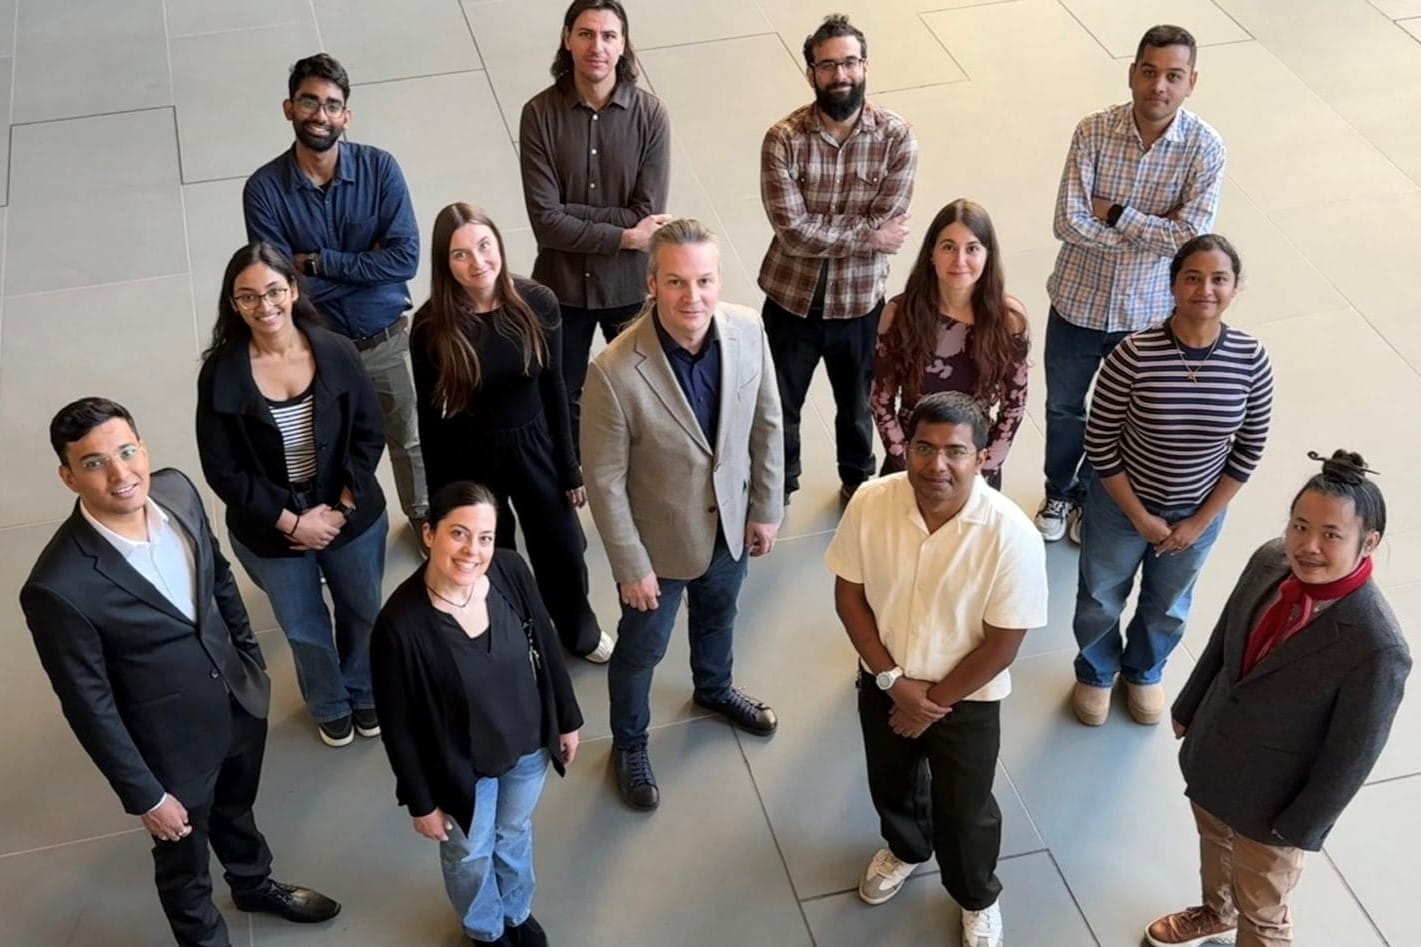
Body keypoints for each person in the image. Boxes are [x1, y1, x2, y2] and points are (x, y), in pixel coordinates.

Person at [21, 397, 341, 947]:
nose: (121, 474)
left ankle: (252, 883)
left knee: (237, 810)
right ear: (68, 476)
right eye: (95, 462)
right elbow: (88, 704)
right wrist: (147, 795)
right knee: (183, 863)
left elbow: (218, 580)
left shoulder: (178, 492)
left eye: (126, 451)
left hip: (239, 700)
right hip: (169, 751)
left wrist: (251, 661)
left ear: (143, 448)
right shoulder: (59, 586)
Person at [1145, 451, 1410, 947]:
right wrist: (1190, 704)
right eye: (1299, 526)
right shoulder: (1271, 559)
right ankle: (1216, 911)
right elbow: (1227, 634)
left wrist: (1300, 826)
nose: (1307, 546)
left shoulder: (1376, 646)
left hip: (1276, 805)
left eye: (1331, 535)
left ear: (1368, 542)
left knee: (1264, 910)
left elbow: (1352, 755)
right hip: (1215, 755)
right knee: (1214, 845)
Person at [826, 391, 1047, 947]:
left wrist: (927, 705)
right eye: (924, 447)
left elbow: (1002, 644)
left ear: (982, 457)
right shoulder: (872, 502)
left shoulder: (1011, 535)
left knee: (966, 807)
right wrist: (892, 683)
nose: (936, 465)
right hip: (884, 680)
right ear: (906, 446)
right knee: (891, 781)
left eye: (955, 451)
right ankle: (905, 848)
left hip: (967, 698)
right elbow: (849, 596)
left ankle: (976, 896)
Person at [581, 219, 784, 810]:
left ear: (718, 280)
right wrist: (630, 565)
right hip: (658, 551)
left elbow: (768, 424)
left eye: (704, 281)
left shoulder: (748, 330)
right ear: (652, 283)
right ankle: (630, 743)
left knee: (720, 617)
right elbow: (605, 481)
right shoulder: (614, 372)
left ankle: (714, 689)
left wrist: (765, 507)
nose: (691, 297)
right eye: (676, 282)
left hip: (731, 527)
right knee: (641, 651)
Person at [1071, 234, 1273, 728]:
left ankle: (1144, 669)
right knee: (1100, 595)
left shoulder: (1251, 359)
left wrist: (1200, 522)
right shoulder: (1134, 354)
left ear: (1235, 288)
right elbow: (1100, 444)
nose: (1206, 289)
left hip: (1198, 511)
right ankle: (1096, 672)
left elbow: (1248, 449)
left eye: (1219, 279)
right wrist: (1139, 515)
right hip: (1122, 506)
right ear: (1173, 285)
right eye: (1193, 277)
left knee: (1169, 603)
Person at [371, 481, 582, 947]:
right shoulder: (399, 625)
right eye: (459, 534)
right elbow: (398, 726)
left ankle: (517, 911)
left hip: (528, 746)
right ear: (430, 534)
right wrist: (421, 802)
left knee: (514, 832)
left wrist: (567, 718)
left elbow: (545, 645)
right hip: (463, 769)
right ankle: (485, 928)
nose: (473, 551)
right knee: (468, 854)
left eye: (484, 537)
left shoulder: (509, 570)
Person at [1037, 24, 1226, 544]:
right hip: (1077, 302)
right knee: (1064, 408)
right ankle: (1058, 491)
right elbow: (1067, 222)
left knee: (1120, 418)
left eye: (1173, 76)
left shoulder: (1205, 149)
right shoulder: (1093, 131)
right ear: (1132, 74)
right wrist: (1153, 227)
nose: (1158, 86)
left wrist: (1116, 212)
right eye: (1149, 72)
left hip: (1144, 317)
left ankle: (1096, 499)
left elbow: (1192, 238)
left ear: (1192, 82)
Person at [197, 243, 389, 748]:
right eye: (248, 297)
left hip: (348, 512)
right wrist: (291, 522)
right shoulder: (221, 373)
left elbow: (370, 434)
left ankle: (364, 688)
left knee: (364, 608)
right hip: (270, 527)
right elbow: (224, 469)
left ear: (293, 290)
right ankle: (329, 702)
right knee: (303, 626)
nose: (265, 306)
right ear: (233, 304)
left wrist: (342, 507)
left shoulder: (336, 351)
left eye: (274, 291)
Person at [411, 203, 612, 664]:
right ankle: (512, 634)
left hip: (535, 443)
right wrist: (442, 499)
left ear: (499, 244)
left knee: (562, 547)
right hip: (471, 454)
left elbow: (556, 388)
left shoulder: (536, 302)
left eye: (484, 246)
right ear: (445, 265)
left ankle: (578, 630)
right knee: (491, 557)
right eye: (460, 255)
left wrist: (569, 467)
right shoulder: (430, 327)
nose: (478, 262)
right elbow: (430, 416)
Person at [243, 52, 428, 537]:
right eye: (309, 102)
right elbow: (280, 286)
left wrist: (321, 262)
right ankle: (337, 527)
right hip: (315, 348)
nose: (319, 114)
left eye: (331, 105)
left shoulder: (380, 169)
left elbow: (405, 260)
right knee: (325, 444)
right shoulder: (264, 190)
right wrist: (365, 267)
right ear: (289, 108)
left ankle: (423, 516)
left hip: (383, 339)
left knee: (407, 438)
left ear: (346, 115)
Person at [759, 13, 919, 505]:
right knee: (778, 406)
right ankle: (778, 484)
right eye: (827, 66)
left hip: (860, 305)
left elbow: (888, 220)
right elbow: (791, 231)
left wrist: (842, 233)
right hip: (790, 301)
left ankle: (857, 483)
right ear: (811, 72)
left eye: (849, 63)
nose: (840, 75)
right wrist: (867, 235)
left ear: (865, 65)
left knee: (858, 407)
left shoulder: (896, 137)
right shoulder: (782, 138)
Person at [520, 0, 672, 452]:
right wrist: (624, 235)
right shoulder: (539, 114)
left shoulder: (651, 116)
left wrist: (574, 214)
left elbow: (648, 210)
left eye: (609, 36)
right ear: (567, 40)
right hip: (560, 289)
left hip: (628, 288)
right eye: (586, 34)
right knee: (557, 400)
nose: (597, 46)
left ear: (624, 45)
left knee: (644, 397)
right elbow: (546, 223)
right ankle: (570, 484)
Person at [870, 199, 1030, 490]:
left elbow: (1014, 406)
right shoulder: (898, 313)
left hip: (973, 462)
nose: (959, 261)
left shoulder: (1009, 320)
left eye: (972, 248)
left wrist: (984, 468)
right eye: (948, 247)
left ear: (987, 255)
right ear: (931, 253)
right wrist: (906, 461)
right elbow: (881, 400)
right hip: (911, 457)